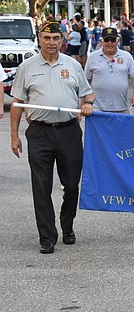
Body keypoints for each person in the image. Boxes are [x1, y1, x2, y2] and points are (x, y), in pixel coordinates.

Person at [9, 21, 95, 253]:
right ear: (40, 38)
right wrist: (14, 136)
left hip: (68, 132)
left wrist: (86, 104)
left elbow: (87, 94)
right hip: (39, 132)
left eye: (56, 38)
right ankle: (47, 236)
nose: (51, 43)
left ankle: (67, 226)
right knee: (41, 186)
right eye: (47, 38)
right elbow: (17, 103)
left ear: (62, 40)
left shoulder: (73, 65)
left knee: (72, 186)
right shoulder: (27, 67)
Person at [84, 27, 134, 113]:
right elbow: (86, 80)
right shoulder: (92, 57)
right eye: (107, 40)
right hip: (98, 108)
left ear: (117, 41)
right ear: (102, 41)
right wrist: (86, 101)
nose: (110, 43)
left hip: (122, 107)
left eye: (113, 40)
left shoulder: (127, 56)